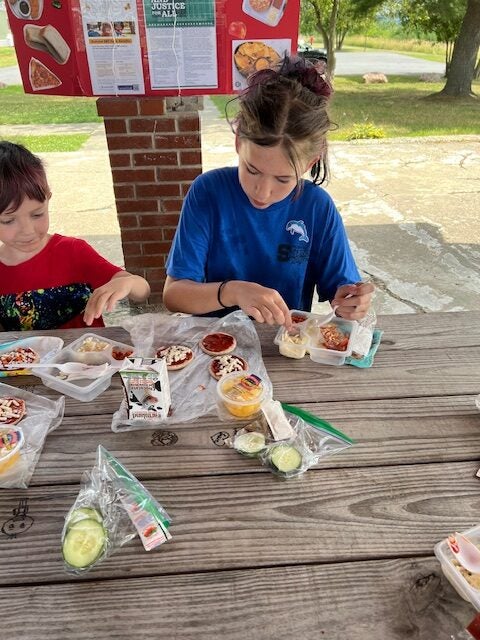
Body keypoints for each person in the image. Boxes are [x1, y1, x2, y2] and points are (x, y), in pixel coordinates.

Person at [163, 55, 374, 329]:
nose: (262, 192)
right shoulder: (208, 192)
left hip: (283, 346)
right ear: (239, 142)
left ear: (309, 164)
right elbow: (174, 294)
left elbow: (343, 292)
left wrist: (352, 303)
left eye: (283, 179)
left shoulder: (316, 207)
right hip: (214, 344)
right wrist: (233, 291)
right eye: (251, 170)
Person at [0, 141, 150, 331]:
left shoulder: (72, 251)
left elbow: (142, 290)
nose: (27, 230)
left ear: (48, 199)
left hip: (88, 358)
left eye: (37, 214)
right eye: (8, 221)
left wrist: (127, 282)